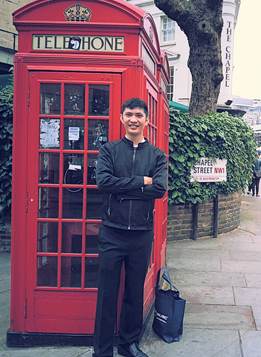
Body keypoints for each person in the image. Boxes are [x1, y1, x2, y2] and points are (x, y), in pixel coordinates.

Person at [93, 98, 168, 357]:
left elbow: (158, 189)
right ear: (121, 118)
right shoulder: (109, 150)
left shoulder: (157, 155)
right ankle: (102, 351)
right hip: (112, 231)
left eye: (138, 115)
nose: (133, 119)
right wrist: (140, 182)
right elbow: (103, 183)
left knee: (134, 294)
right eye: (129, 114)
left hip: (141, 233)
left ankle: (128, 345)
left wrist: (123, 186)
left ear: (147, 120)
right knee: (106, 296)